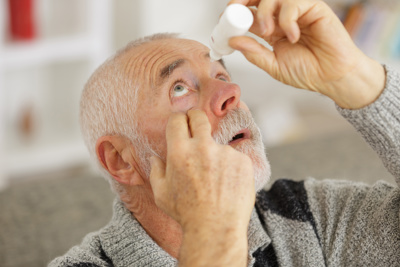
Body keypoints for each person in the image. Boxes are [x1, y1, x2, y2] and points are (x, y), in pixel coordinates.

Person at [50, 0, 400, 266]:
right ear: (120, 160)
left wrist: (357, 78)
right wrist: (213, 234)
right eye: (178, 88)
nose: (231, 92)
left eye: (221, 75)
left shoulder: (308, 216)